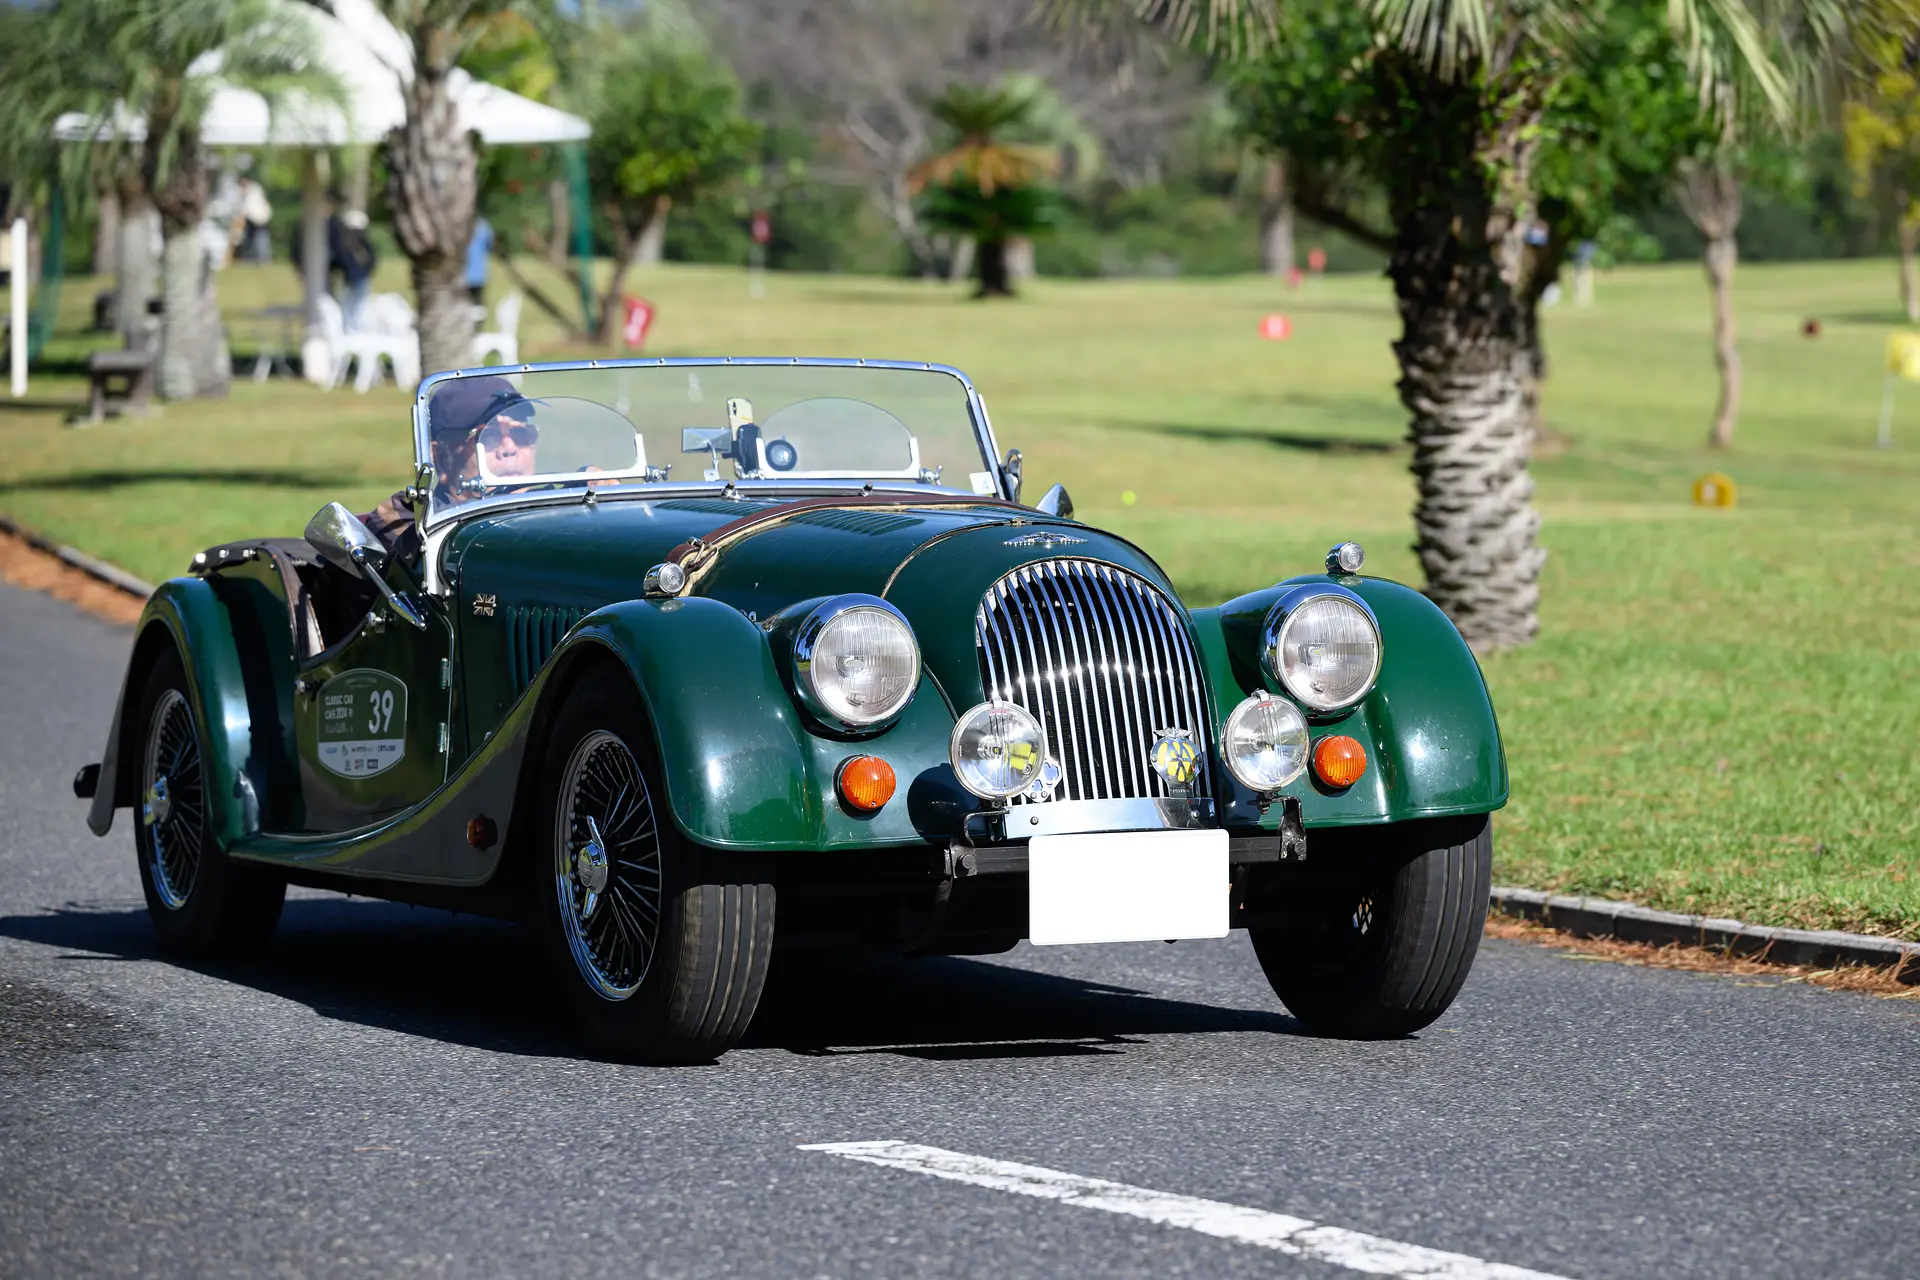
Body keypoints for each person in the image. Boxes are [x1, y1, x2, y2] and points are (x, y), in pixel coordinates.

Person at [360, 374, 538, 550]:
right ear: (442, 459)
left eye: (521, 434)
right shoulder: (407, 524)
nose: (510, 448)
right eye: (488, 437)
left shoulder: (551, 507)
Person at [335, 210, 377, 330]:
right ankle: (350, 330)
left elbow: (371, 260)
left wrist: (365, 272)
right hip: (350, 279)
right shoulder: (345, 246)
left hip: (360, 279)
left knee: (360, 307)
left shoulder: (363, 245)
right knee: (348, 307)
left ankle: (357, 330)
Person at [465, 215, 493, 306]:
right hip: (479, 273)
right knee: (477, 301)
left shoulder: (460, 222)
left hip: (463, 272)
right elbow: (490, 245)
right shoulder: (483, 225)